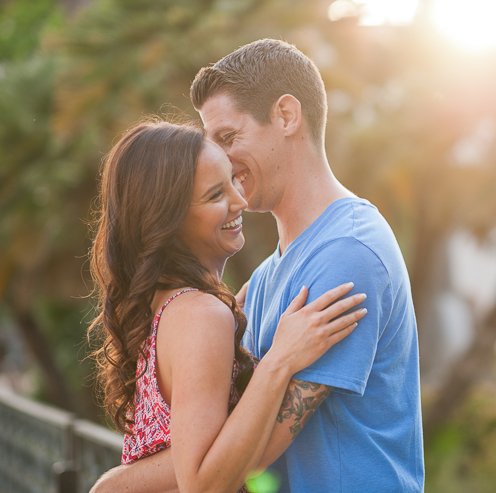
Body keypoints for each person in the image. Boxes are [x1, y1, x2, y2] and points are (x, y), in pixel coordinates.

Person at [93, 38, 424, 493]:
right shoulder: (265, 278)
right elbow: (216, 438)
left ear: (287, 116)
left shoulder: (348, 251)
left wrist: (119, 485)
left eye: (228, 138)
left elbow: (238, 459)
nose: (220, 160)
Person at [88, 119, 367, 493]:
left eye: (234, 180)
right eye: (215, 195)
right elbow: (203, 484)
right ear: (169, 220)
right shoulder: (201, 315)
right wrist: (280, 361)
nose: (241, 200)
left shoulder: (170, 305)